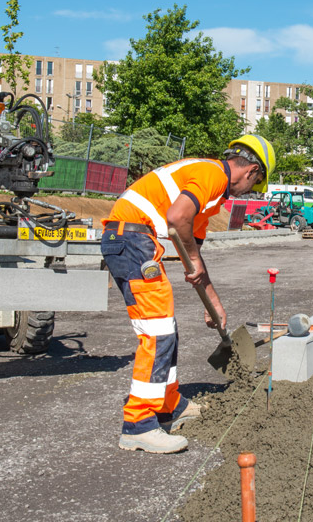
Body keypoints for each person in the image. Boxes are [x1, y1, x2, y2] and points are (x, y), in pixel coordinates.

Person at [101, 134, 276, 453]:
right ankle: (138, 424)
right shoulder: (212, 174)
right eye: (255, 184)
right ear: (252, 171)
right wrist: (193, 260)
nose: (249, 191)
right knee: (156, 333)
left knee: (166, 329)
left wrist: (214, 303)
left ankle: (169, 406)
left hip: (136, 242)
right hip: (131, 241)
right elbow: (176, 218)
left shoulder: (210, 201)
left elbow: (192, 252)